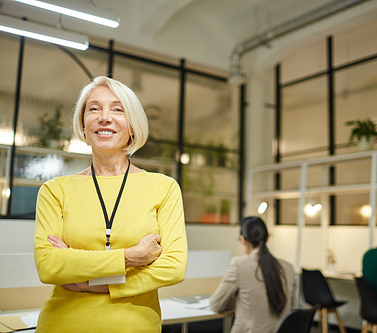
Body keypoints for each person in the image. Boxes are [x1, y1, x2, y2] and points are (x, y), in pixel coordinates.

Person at [33, 76, 188, 332]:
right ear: (83, 125)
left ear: (133, 126)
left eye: (117, 109)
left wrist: (88, 282)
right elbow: (49, 266)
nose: (104, 117)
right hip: (61, 324)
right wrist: (130, 257)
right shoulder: (55, 190)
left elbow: (173, 268)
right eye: (94, 109)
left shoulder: (164, 187)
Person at [210, 216, 296, 333]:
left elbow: (216, 304)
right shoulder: (288, 267)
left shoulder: (238, 265)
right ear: (268, 237)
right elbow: (292, 309)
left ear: (243, 239)